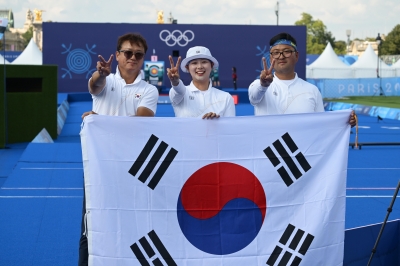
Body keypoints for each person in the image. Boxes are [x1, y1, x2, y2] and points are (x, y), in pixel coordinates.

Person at [79, 33, 159, 266]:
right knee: (91, 229)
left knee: (133, 225)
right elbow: (95, 85)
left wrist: (102, 121)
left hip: (134, 168)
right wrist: (100, 74)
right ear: (117, 55)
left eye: (138, 54)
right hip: (99, 166)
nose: (132, 58)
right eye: (127, 53)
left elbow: (141, 121)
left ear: (143, 58)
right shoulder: (106, 81)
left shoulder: (149, 90)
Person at [248, 32, 356, 126]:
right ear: (271, 58)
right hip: (268, 149)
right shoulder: (258, 86)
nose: (281, 56)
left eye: (287, 51)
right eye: (276, 53)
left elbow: (321, 126)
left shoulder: (312, 90)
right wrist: (264, 85)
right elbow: (254, 97)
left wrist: (344, 123)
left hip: (301, 150)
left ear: (296, 56)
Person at [167, 46, 235, 118]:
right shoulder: (181, 93)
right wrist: (175, 82)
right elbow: (178, 91)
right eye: (194, 63)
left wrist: (216, 123)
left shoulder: (226, 98)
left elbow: (229, 127)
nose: (199, 66)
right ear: (188, 68)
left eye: (204, 62)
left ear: (211, 65)